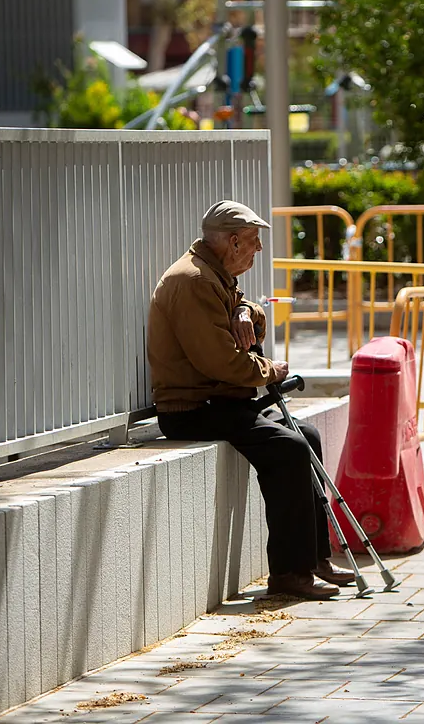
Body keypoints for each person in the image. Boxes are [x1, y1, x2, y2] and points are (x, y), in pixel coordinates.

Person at [146, 200, 354, 599]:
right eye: (255, 241)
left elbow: (245, 314)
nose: (259, 250)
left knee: (306, 436)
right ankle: (288, 575)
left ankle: (313, 559)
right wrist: (270, 371)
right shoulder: (193, 281)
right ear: (234, 241)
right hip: (192, 409)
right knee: (289, 448)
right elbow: (219, 361)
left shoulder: (214, 273)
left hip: (219, 402)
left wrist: (244, 308)